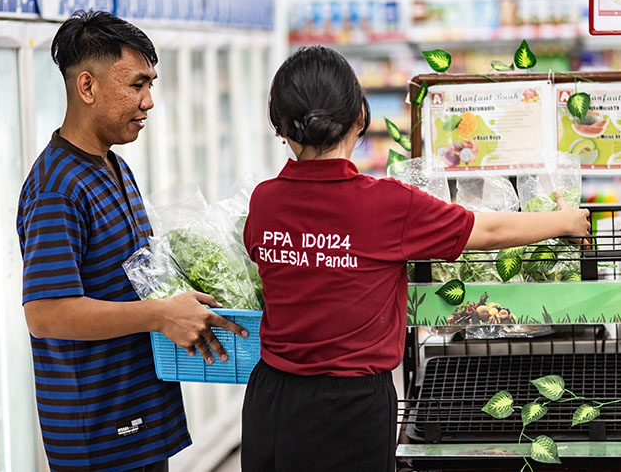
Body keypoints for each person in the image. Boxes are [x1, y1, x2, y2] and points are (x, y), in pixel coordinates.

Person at [240, 46, 591, 472]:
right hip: (349, 407)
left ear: (281, 127)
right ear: (360, 118)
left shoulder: (264, 201)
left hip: (270, 399)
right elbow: (488, 231)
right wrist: (564, 221)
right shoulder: (387, 204)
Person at [16, 10, 248, 472]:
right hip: (100, 434)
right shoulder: (57, 188)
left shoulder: (113, 167)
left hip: (139, 419)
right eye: (137, 85)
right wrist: (162, 314)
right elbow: (45, 313)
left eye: (151, 85)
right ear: (87, 87)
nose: (149, 101)